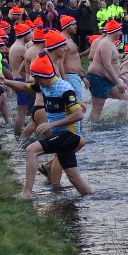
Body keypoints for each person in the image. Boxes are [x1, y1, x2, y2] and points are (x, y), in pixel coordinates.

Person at [19, 54, 90, 200]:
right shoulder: (44, 84)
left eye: (36, 77)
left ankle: (27, 193)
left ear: (43, 76)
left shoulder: (63, 88)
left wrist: (51, 124)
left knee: (31, 150)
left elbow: (78, 115)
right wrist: (5, 81)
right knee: (73, 177)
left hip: (68, 134)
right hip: (63, 134)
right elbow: (25, 87)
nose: (35, 81)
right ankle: (92, 197)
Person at [85, 19, 128, 122]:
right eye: (119, 31)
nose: (121, 33)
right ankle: (93, 130)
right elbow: (107, 65)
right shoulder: (105, 44)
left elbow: (112, 60)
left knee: (126, 99)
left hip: (108, 79)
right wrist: (118, 82)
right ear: (114, 31)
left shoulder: (110, 42)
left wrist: (120, 58)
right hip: (99, 79)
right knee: (97, 108)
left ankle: (120, 123)